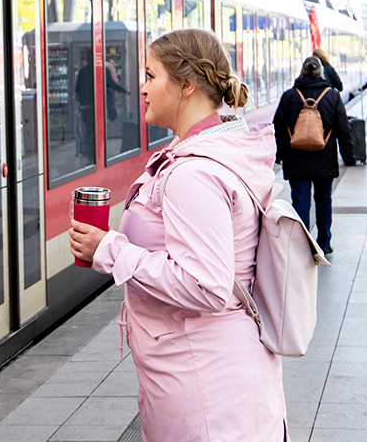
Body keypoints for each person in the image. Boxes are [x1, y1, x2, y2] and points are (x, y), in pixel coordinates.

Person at [68, 29, 287, 442]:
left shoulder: (195, 174)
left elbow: (207, 287)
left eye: (151, 75)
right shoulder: (213, 150)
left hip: (205, 387)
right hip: (207, 377)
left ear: (186, 85)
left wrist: (111, 249)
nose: (143, 87)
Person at [273, 56, 356, 255]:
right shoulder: (333, 96)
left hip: (296, 159)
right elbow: (343, 129)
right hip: (324, 158)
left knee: (300, 201)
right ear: (321, 73)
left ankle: (303, 245)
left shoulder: (289, 96)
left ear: (301, 73)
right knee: (324, 199)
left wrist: (279, 155)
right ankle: (324, 242)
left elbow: (278, 127)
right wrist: (349, 156)